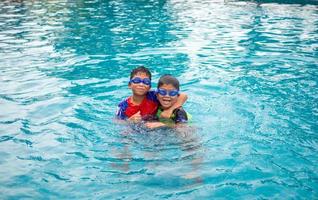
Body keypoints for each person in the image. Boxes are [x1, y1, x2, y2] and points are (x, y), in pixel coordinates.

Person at [116, 66, 187, 122]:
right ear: (129, 85)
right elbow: (118, 123)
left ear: (149, 87)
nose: (141, 84)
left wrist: (169, 110)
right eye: (137, 81)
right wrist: (130, 121)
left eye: (146, 82)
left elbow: (183, 96)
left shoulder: (154, 96)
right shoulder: (123, 106)